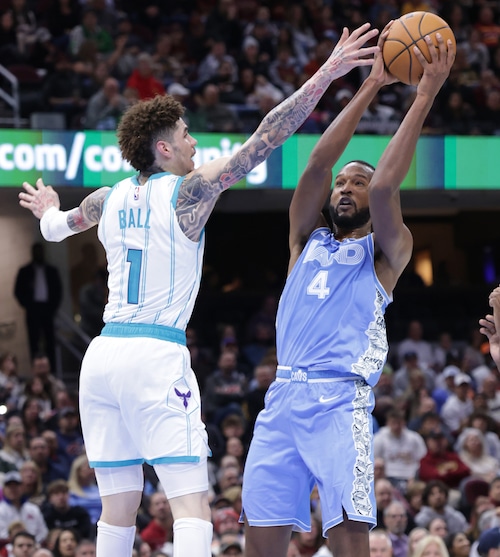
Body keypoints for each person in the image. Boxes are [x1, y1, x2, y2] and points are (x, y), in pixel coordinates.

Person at [18, 22, 380, 557]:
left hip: (100, 359)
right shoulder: (188, 193)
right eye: (187, 136)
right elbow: (267, 136)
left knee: (117, 507)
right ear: (164, 148)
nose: (195, 143)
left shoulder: (105, 199)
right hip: (154, 353)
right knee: (191, 505)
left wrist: (48, 210)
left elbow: (55, 228)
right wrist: (328, 72)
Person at [242, 24, 455, 557]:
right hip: (281, 400)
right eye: (343, 183)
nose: (345, 187)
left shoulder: (386, 253)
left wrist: (423, 94)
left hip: (339, 402)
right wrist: (371, 84)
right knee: (260, 544)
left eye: (353, 183)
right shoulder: (303, 242)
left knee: (350, 541)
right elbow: (316, 164)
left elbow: (386, 185)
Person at [14, 243, 62, 368]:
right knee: (34, 341)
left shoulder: (51, 271)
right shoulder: (25, 271)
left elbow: (58, 291)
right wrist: (27, 305)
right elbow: (18, 291)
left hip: (47, 309)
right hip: (32, 309)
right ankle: (36, 370)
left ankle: (52, 370)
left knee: (50, 341)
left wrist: (53, 307)